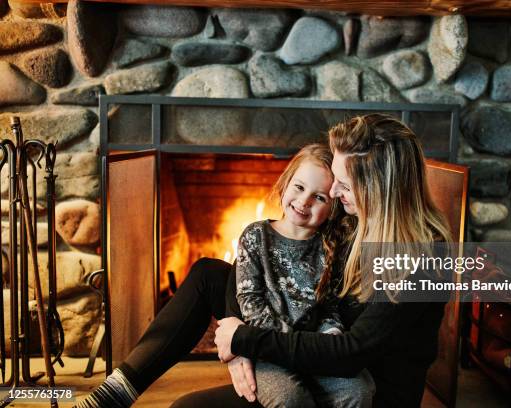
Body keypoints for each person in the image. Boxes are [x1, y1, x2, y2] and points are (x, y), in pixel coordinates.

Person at [76, 114, 451, 408]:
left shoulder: (422, 260)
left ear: (378, 188)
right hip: (314, 363)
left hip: (360, 393)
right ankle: (116, 393)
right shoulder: (360, 221)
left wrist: (246, 340)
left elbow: (350, 354)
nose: (333, 193)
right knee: (209, 272)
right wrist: (240, 345)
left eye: (343, 186)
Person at [234, 144, 374, 408]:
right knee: (289, 398)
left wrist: (331, 332)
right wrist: (289, 342)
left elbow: (330, 307)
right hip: (268, 350)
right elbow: (251, 303)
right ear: (286, 183)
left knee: (359, 390)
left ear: (333, 208)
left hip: (315, 349)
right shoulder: (256, 236)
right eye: (299, 188)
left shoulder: (330, 246)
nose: (304, 201)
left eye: (319, 197)